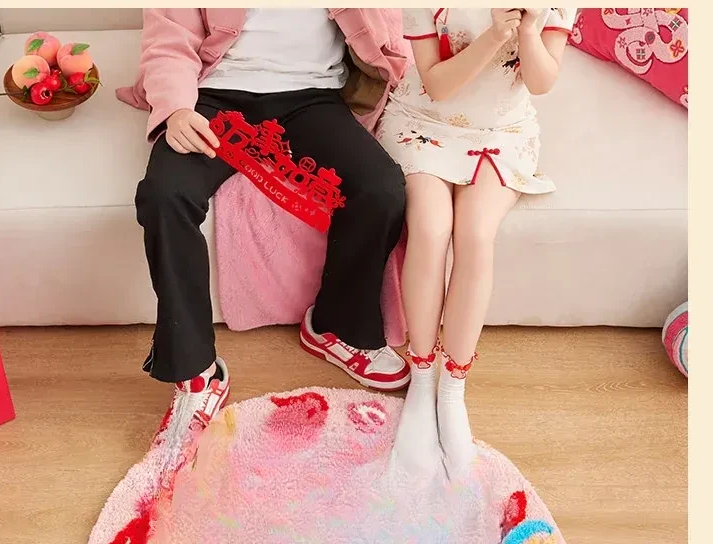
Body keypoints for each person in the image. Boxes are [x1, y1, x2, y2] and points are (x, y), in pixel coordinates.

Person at [122, 8, 412, 431]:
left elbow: (383, 30)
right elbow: (169, 38)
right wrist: (177, 110)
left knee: (381, 189)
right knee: (164, 195)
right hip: (213, 94)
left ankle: (337, 327)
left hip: (312, 97)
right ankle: (195, 368)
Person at [377, 7, 576, 478]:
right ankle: (422, 378)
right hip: (422, 124)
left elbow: (542, 82)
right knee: (430, 229)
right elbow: (437, 86)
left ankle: (452, 389)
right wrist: (494, 34)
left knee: (475, 234)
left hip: (501, 134)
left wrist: (528, 29)